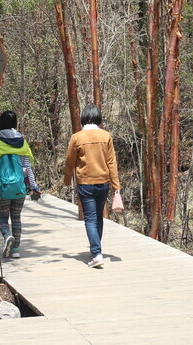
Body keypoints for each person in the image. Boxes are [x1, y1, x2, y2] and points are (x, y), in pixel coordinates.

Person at [63, 104, 121, 268]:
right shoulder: (106, 136)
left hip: (86, 184)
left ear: (83, 119)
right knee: (98, 217)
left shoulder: (77, 138)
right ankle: (97, 251)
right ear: (98, 118)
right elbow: (111, 162)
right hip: (103, 183)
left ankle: (96, 253)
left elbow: (70, 161)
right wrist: (116, 186)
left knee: (90, 219)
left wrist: (67, 179)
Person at [0, 110, 39, 259]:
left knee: (2, 218)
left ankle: (7, 236)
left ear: (0, 123)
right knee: (16, 218)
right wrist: (33, 186)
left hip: (2, 188)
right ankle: (16, 251)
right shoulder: (22, 142)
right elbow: (28, 168)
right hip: (19, 187)